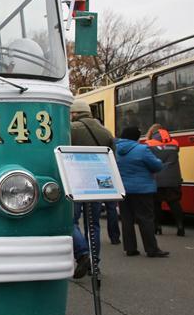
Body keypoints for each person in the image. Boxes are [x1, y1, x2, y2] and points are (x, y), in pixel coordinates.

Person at [69, 98, 115, 276]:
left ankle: (82, 253)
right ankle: (95, 263)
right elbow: (112, 158)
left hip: (76, 180)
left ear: (74, 113)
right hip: (97, 181)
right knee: (93, 223)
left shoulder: (72, 129)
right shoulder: (106, 131)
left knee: (70, 221)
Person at [115, 125, 169, 258]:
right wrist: (159, 162)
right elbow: (156, 166)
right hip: (142, 190)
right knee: (146, 219)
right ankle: (152, 249)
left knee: (127, 219)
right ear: (136, 137)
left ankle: (130, 249)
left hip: (123, 189)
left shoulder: (115, 150)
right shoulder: (142, 149)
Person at [145, 124, 185, 236]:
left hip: (156, 179)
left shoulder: (149, 144)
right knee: (174, 203)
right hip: (173, 179)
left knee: (156, 204)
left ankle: (157, 227)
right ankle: (180, 226)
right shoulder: (175, 143)